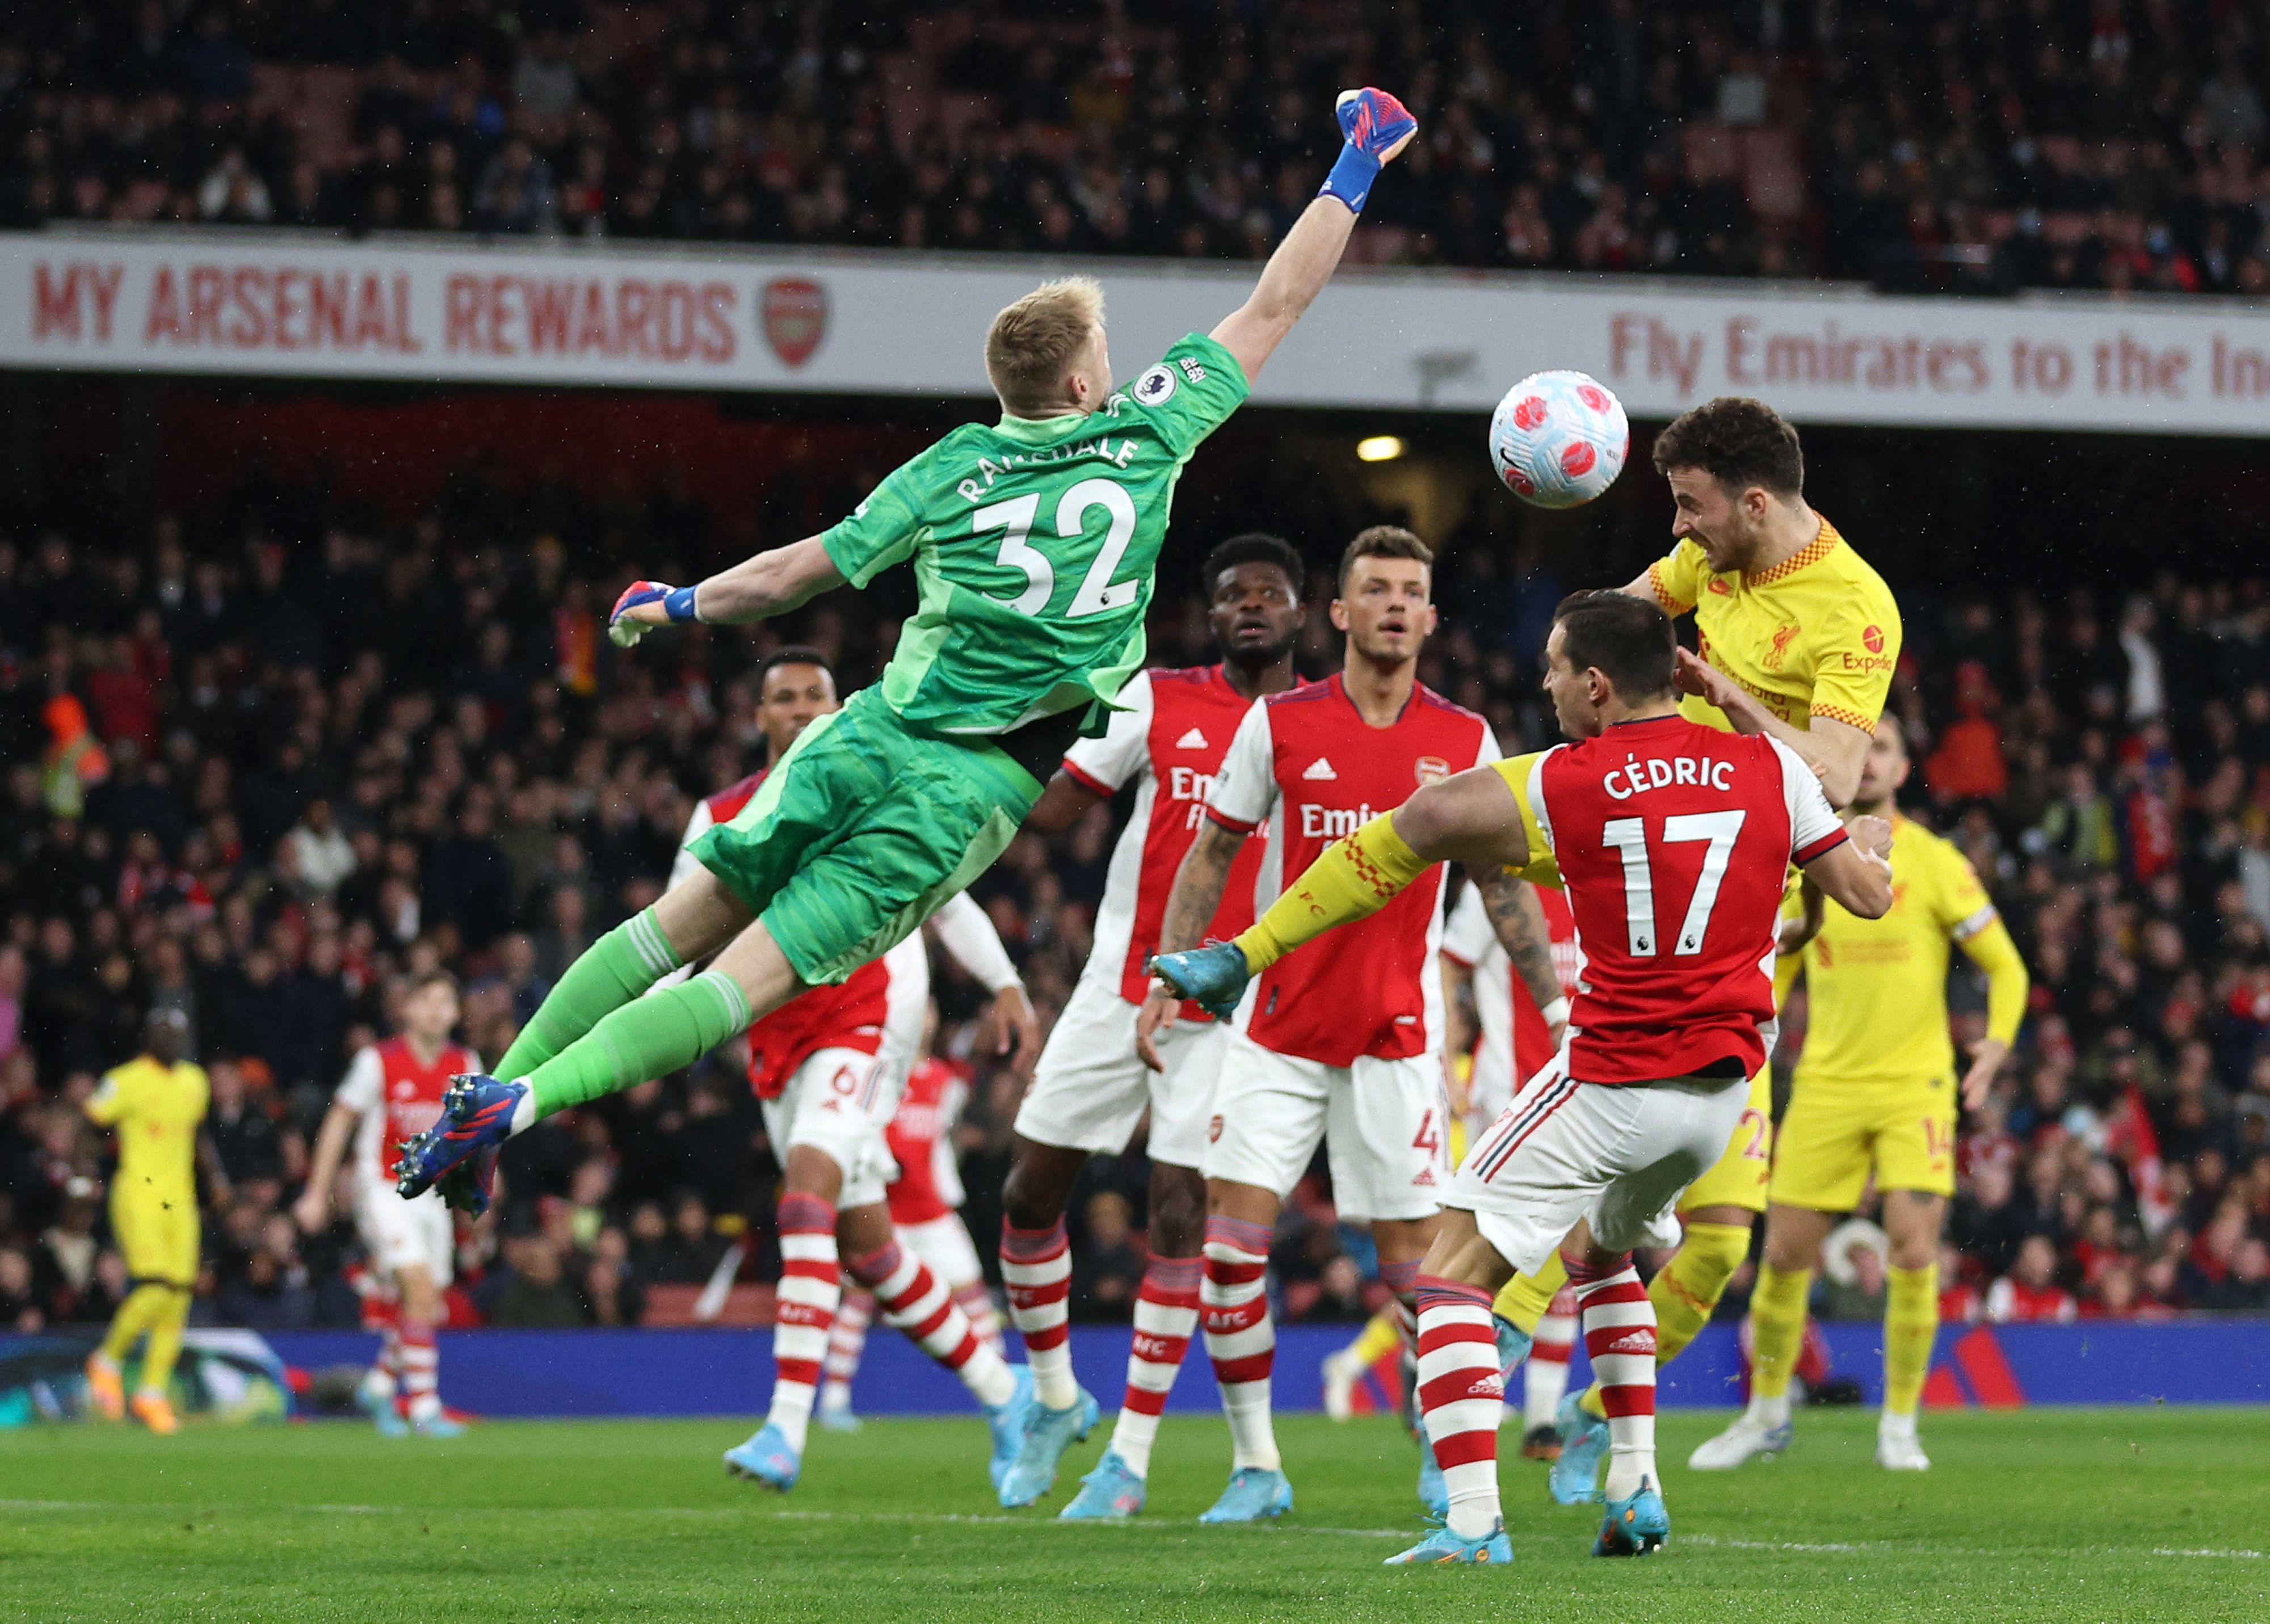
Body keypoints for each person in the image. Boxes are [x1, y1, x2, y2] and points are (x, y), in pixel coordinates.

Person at [394, 87, 1422, 1216]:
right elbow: (1274, 304)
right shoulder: (1147, 430)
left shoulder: (944, 469)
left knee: (669, 925)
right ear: (1083, 384)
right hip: (956, 790)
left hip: (860, 731)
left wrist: (680, 603)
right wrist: (1358, 161)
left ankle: (493, 1087)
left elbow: (790, 575)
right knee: (746, 984)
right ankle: (522, 1109)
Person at [1153, 590, 1893, 1562]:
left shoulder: (1566, 780)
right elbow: (1867, 895)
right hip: (1717, 1100)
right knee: (1604, 1252)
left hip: (1615, 1081)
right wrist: (1867, 848)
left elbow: (1413, 825)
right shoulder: (1769, 770)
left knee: (1451, 1274)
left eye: (1552, 668)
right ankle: (1635, 1486)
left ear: (1595, 683)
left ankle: (1469, 1522)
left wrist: (1244, 952)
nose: (1544, 684)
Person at [1493, 395, 1907, 1506]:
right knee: (1594, 1175)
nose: (1677, 531)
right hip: (1642, 894)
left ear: (1755, 501)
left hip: (1741, 925)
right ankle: (1481, 1336)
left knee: (1716, 1241)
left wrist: (1726, 698)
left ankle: (1585, 1413)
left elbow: (1823, 778)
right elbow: (1615, 624)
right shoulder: (1698, 565)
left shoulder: (1853, 611)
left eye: (1690, 506)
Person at [1133, 526, 1559, 1525]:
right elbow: (1212, 853)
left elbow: (1502, 888)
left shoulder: (1462, 742)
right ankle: (1256, 1464)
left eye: (1412, 591)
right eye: (1376, 590)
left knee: (1425, 1279)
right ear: (1341, 612)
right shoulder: (1279, 724)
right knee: (1233, 1253)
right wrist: (1169, 973)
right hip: (1275, 1034)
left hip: (1396, 1043)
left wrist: (1555, 1009)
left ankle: (1436, 1447)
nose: (1395, 606)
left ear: (1432, 617)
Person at [659, 649, 1039, 1496]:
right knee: (864, 1243)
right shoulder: (719, 814)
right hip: (775, 1036)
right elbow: (672, 935)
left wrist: (1006, 982)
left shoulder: (874, 786)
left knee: (803, 1196)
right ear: (758, 717)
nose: (799, 710)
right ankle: (1007, 1393)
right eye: (782, 697)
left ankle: (784, 1427)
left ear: (837, 709)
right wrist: (625, 1033)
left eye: (813, 696)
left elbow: (952, 893)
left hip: (864, 1013)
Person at [989, 532, 1308, 1516]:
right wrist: (983, 747)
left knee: (1181, 1215)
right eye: (1231, 593)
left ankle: (1128, 1460)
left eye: (1270, 590)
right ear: (1208, 615)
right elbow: (1055, 810)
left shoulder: (1323, 722)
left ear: (1302, 609)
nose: (1251, 604)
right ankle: (1052, 1397)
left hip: (1231, 1002)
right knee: (1028, 1193)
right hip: (1116, 983)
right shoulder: (1156, 697)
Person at [1689, 716, 2028, 1473]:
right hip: (1828, 1084)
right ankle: (1767, 1413)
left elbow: (2006, 966)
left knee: (1913, 1249)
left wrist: (1995, 1047)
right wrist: (1739, 1050)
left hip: (1916, 1084)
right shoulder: (1807, 860)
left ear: (1906, 768)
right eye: (1860, 748)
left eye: (1885, 749)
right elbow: (1773, 968)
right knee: (1781, 1257)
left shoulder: (1938, 863)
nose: (1870, 762)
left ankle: (1900, 1424)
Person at [295, 970, 479, 1437]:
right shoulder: (378, 1061)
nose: (437, 1010)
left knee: (425, 1302)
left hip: (433, 1198)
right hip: (383, 1190)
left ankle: (378, 1385)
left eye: (446, 1001)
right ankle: (423, 1407)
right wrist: (317, 1192)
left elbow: (475, 1136)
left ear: (457, 1012)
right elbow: (340, 1121)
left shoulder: (467, 1062)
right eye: (427, 1000)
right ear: (408, 1009)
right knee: (418, 1287)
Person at [1440, 883, 1584, 1461]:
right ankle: (1453, 1391)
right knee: (1485, 1256)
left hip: (1586, 1098)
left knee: (1568, 1255)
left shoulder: (1610, 868)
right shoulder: (1503, 884)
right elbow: (1452, 968)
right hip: (1506, 1097)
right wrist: (1449, 1061)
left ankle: (1542, 1422)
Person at [815, 1017, 1005, 1432]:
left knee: (975, 1299)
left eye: (931, 1012)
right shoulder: (878, 1076)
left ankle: (1005, 1394)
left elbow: (946, 1142)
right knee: (859, 1301)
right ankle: (833, 1400)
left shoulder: (945, 1081)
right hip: (885, 1211)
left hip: (933, 1212)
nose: (923, 1020)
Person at [83, 1008, 219, 1435]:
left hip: (181, 1200)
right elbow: (89, 1122)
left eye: (179, 1033)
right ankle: (106, 1361)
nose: (173, 1040)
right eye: (165, 1033)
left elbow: (197, 1136)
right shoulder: (125, 1080)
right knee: (156, 1286)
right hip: (138, 1193)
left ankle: (151, 1392)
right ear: (148, 1037)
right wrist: (87, 1171)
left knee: (179, 1295)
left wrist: (216, 1180)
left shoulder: (195, 1082)